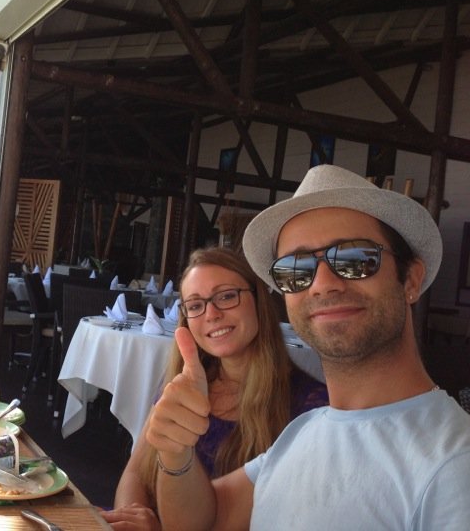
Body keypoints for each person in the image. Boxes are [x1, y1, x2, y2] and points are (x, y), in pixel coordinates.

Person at [145, 164, 470, 530]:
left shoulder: (454, 464)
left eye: (355, 258)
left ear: (410, 280)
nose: (322, 283)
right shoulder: (302, 431)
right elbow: (201, 522)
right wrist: (176, 453)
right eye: (295, 270)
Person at [101, 247, 328, 530]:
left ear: (258, 301)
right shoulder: (184, 385)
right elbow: (135, 472)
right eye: (196, 305)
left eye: (227, 296)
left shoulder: (311, 407)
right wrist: (131, 516)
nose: (211, 314)